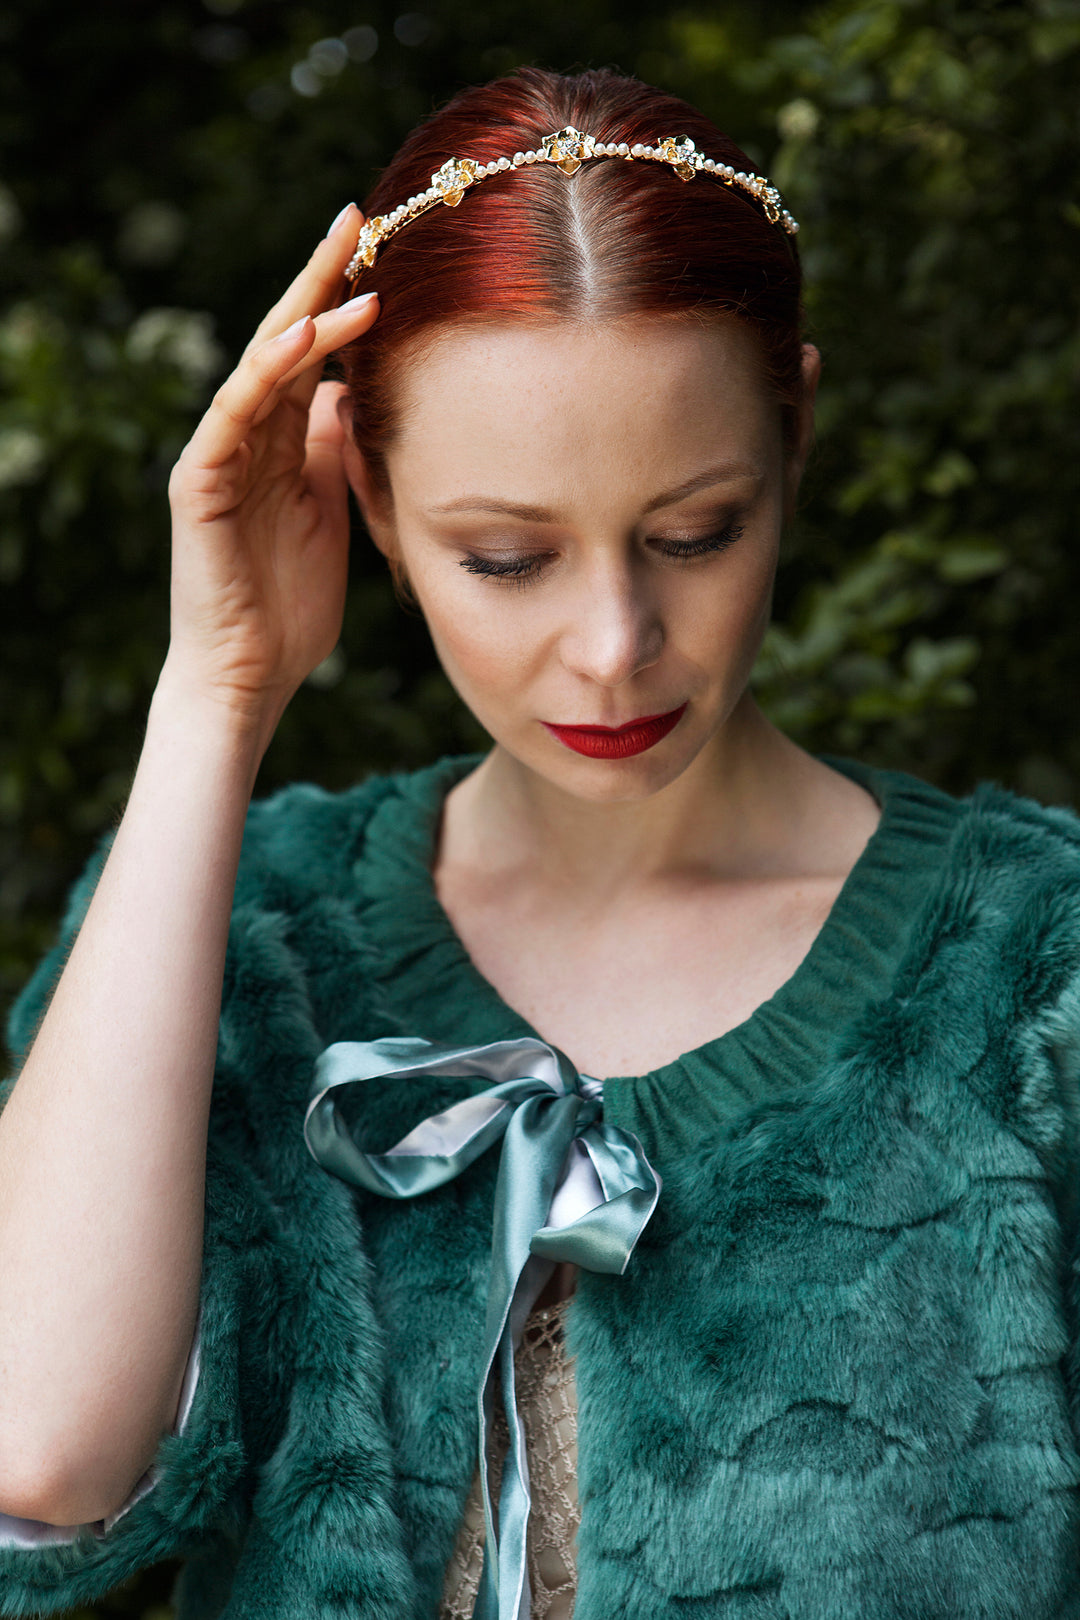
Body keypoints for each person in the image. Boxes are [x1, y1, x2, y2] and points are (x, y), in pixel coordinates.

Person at [2, 61, 1080, 1620]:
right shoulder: (244, 936)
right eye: (506, 558)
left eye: (695, 532)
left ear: (795, 439)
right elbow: (37, 1464)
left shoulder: (1033, 966)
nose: (612, 646)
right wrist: (214, 693)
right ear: (367, 501)